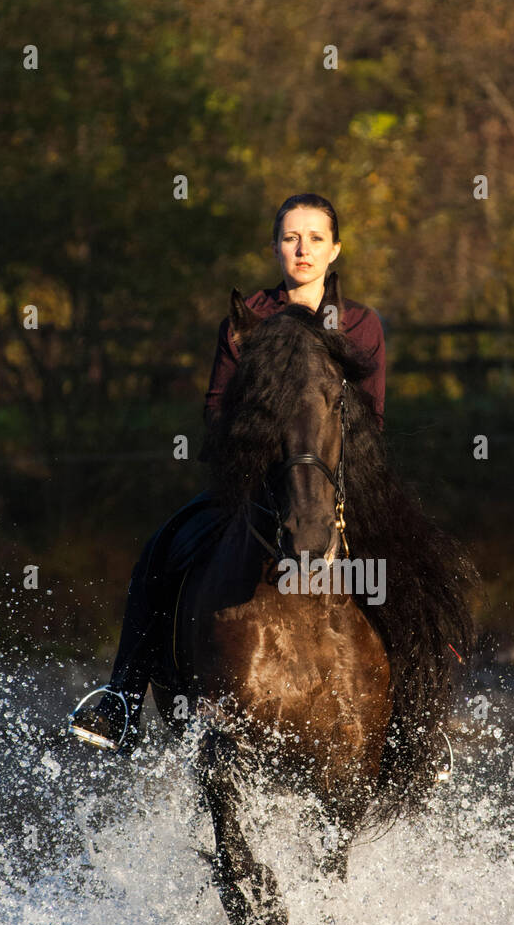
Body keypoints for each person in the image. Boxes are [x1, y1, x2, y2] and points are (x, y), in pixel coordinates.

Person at [67, 193, 387, 752]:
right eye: (291, 237)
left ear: (335, 249)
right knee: (161, 550)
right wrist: (263, 451)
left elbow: (372, 416)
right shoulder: (247, 320)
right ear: (274, 247)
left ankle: (420, 725)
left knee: (415, 571)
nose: (303, 249)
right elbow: (216, 408)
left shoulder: (359, 324)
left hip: (337, 482)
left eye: (315, 238)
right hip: (257, 482)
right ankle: (122, 696)